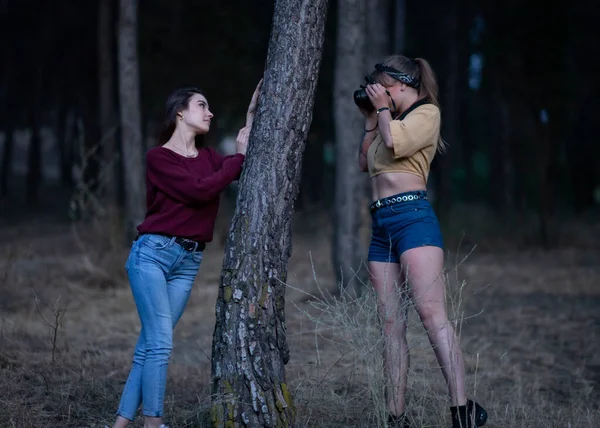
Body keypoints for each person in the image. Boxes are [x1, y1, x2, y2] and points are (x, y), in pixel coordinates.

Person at [107, 80, 262, 428]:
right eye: (201, 105)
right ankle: (154, 422)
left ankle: (119, 424)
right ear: (179, 112)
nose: (210, 112)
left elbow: (237, 165)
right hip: (153, 255)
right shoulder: (158, 157)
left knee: (149, 346)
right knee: (161, 342)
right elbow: (199, 190)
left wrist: (252, 116)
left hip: (188, 262)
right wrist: (234, 161)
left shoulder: (208, 157)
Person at [355, 55, 487, 428]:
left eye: (383, 85)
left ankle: (462, 411)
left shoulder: (426, 114)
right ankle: (396, 416)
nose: (379, 92)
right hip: (382, 225)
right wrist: (370, 119)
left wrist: (381, 112)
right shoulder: (386, 121)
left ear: (403, 84)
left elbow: (395, 145)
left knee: (432, 316)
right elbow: (364, 164)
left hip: (413, 220)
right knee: (390, 325)